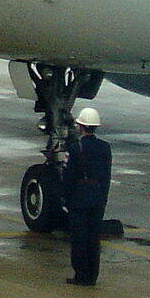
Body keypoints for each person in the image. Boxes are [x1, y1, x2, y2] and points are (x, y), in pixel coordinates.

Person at [61, 105, 111, 286]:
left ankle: (80, 275)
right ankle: (92, 275)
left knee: (79, 238)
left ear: (81, 127)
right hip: (97, 197)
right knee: (93, 239)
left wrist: (65, 200)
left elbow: (68, 176)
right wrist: (103, 198)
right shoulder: (105, 148)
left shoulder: (75, 149)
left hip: (79, 198)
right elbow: (106, 176)